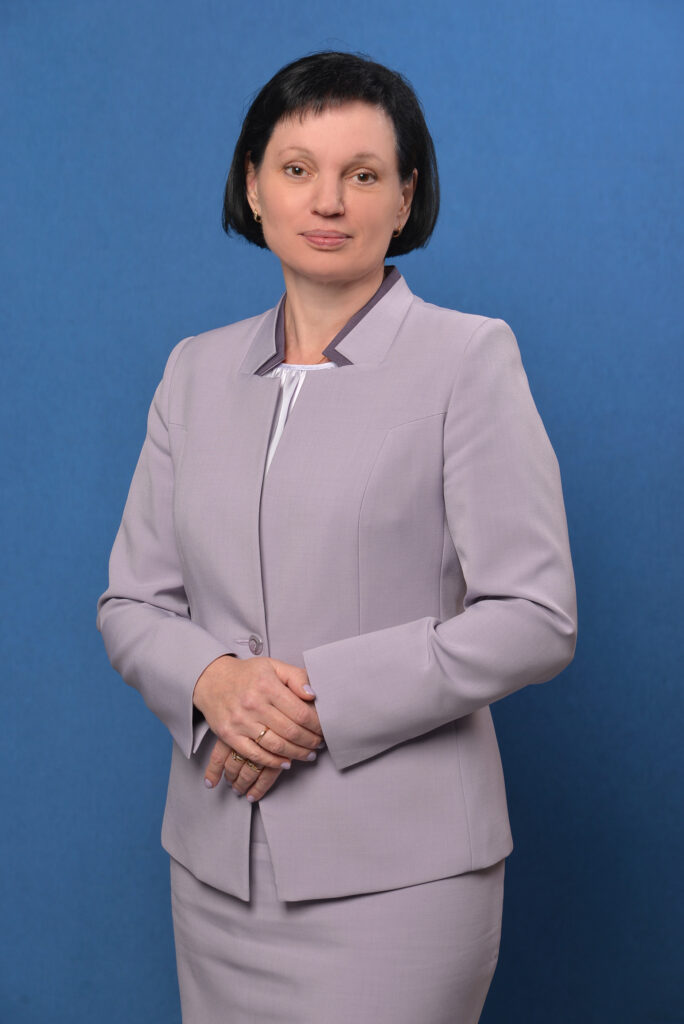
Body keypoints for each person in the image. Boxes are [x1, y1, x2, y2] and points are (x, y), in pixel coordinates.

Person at [96, 50, 577, 1024]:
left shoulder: (467, 359)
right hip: (216, 869)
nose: (328, 200)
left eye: (363, 173)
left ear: (406, 197)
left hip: (400, 878)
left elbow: (536, 616)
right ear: (253, 187)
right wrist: (211, 681)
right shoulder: (192, 372)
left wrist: (320, 703)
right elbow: (132, 603)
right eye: (297, 168)